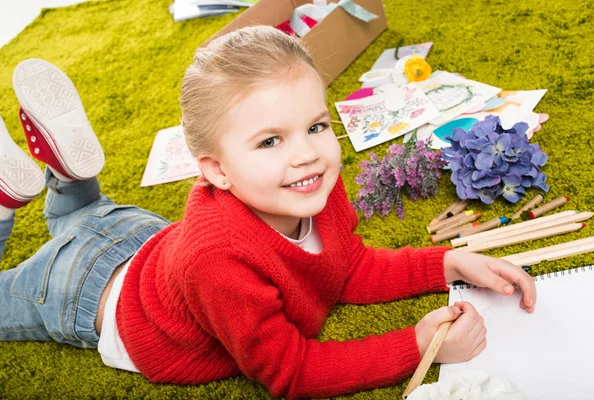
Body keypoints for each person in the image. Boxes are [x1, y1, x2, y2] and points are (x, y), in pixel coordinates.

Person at [0, 26, 536, 399]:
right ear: (216, 172)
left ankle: (72, 180)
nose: (306, 152)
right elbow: (292, 371)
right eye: (270, 141)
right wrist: (415, 346)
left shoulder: (312, 186)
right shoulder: (219, 264)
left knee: (85, 219)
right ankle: (11, 204)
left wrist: (448, 264)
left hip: (140, 236)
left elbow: (347, 268)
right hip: (80, 292)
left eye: (316, 127)